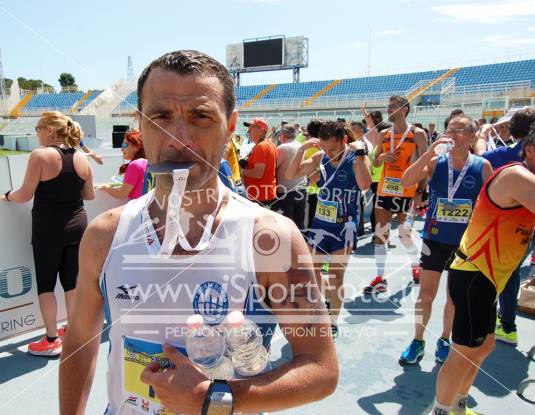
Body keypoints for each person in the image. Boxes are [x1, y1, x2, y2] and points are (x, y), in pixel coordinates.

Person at [59, 50, 338, 415]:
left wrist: (217, 399)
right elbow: (79, 341)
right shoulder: (105, 235)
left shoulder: (270, 238)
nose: (179, 137)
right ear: (141, 123)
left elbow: (321, 368)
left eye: (201, 116)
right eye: (161, 116)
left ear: (230, 125)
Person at [430, 125, 535, 415]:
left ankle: (459, 406)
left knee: (485, 345)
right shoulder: (518, 177)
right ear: (530, 149)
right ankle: (441, 410)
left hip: (489, 278)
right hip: (475, 274)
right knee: (463, 351)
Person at [399, 116, 492, 366]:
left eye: (459, 130)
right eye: (449, 129)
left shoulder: (482, 166)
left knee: (453, 298)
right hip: (435, 238)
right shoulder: (436, 162)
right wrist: (429, 150)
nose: (452, 134)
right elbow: (406, 181)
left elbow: (491, 205)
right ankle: (418, 341)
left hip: (465, 243)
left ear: (472, 137)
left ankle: (444, 339)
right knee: (426, 295)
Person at [1, 110, 94, 356]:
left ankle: (51, 340)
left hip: (49, 230)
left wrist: (6, 195)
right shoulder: (82, 158)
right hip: (78, 225)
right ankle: (72, 334)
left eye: (38, 130)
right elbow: (89, 195)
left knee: (46, 285)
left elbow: (23, 195)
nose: (37, 135)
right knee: (71, 284)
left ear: (50, 130)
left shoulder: (40, 155)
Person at [287, 121, 372, 335]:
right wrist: (303, 148)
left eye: (333, 148)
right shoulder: (320, 157)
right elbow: (291, 174)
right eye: (324, 148)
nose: (328, 153)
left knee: (336, 276)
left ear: (344, 140)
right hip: (320, 224)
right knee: (312, 270)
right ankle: (325, 302)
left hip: (345, 227)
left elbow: (364, 185)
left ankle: (332, 321)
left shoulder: (356, 158)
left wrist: (361, 153)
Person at [479, 106, 535, 346]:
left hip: (513, 228)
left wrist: (482, 136)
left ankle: (506, 324)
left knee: (505, 272)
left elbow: (481, 158)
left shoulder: (507, 154)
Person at [365, 95, 428, 294]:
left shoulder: (418, 134)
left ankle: (416, 264)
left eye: (392, 107)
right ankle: (380, 277)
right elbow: (374, 162)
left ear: (404, 109)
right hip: (385, 189)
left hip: (407, 190)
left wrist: (421, 191)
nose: (388, 110)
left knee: (404, 234)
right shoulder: (384, 134)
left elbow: (425, 164)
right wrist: (382, 156)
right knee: (380, 234)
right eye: (388, 106)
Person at [96, 129, 149, 200]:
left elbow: (121, 195)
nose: (122, 149)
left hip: (137, 208)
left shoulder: (135, 165)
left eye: (124, 145)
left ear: (136, 147)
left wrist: (106, 187)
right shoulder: (148, 162)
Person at [273, 124, 307, 229]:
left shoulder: (282, 148)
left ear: (282, 135)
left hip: (286, 191)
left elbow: (274, 167)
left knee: (286, 224)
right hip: (301, 188)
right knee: (299, 222)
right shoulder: (300, 146)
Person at [241, 117, 277, 207]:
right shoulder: (268, 143)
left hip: (259, 195)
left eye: (251, 128)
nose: (248, 131)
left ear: (261, 131)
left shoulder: (261, 146)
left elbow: (258, 173)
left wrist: (241, 171)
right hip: (264, 194)